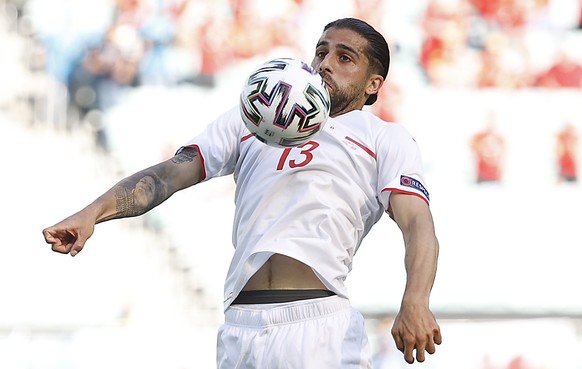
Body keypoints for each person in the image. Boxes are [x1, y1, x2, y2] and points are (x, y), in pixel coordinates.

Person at [42, 17, 442, 368]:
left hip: (317, 325)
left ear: (373, 84)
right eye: (321, 52)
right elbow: (168, 175)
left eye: (344, 58)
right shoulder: (256, 115)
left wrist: (416, 299)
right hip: (239, 326)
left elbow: (418, 224)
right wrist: (91, 213)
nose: (324, 65)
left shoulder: (384, 138)